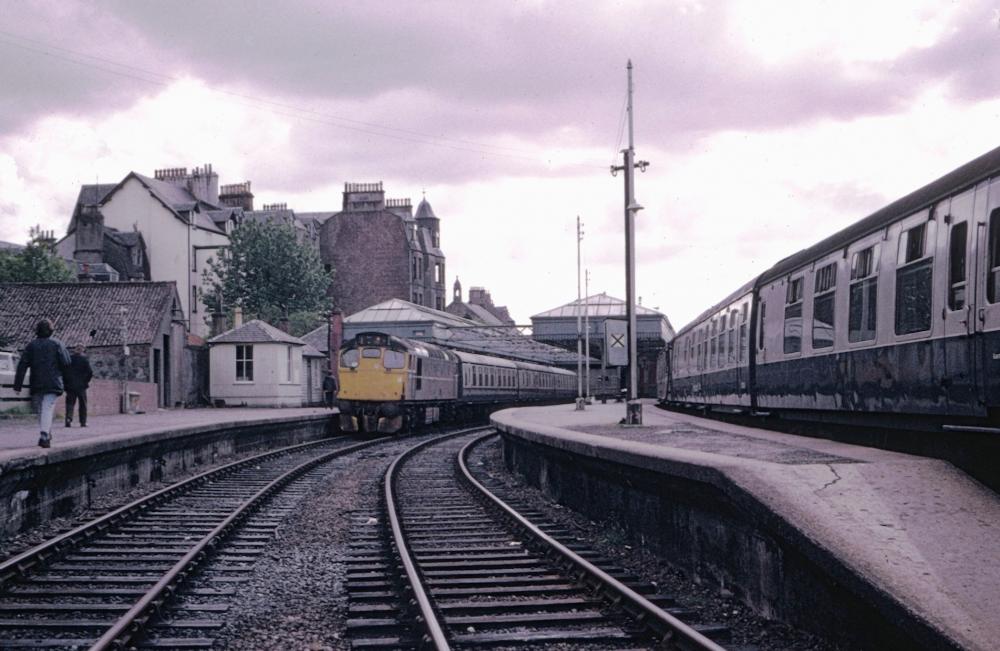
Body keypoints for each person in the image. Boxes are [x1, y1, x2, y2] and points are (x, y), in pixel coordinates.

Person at [13, 319, 71, 448]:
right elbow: (67, 362)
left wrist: (18, 385)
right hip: (53, 382)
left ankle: (46, 434)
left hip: (37, 382)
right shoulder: (57, 344)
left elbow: (22, 365)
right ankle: (45, 436)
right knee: (47, 407)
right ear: (51, 331)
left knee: (41, 409)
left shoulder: (31, 346)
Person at [64, 344, 94, 428]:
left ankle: (68, 419)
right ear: (82, 350)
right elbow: (90, 372)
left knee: (70, 403)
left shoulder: (69, 359)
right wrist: (85, 381)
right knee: (83, 404)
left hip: (70, 385)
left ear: (75, 350)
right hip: (81, 386)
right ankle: (83, 422)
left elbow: (64, 372)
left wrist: (66, 383)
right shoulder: (84, 360)